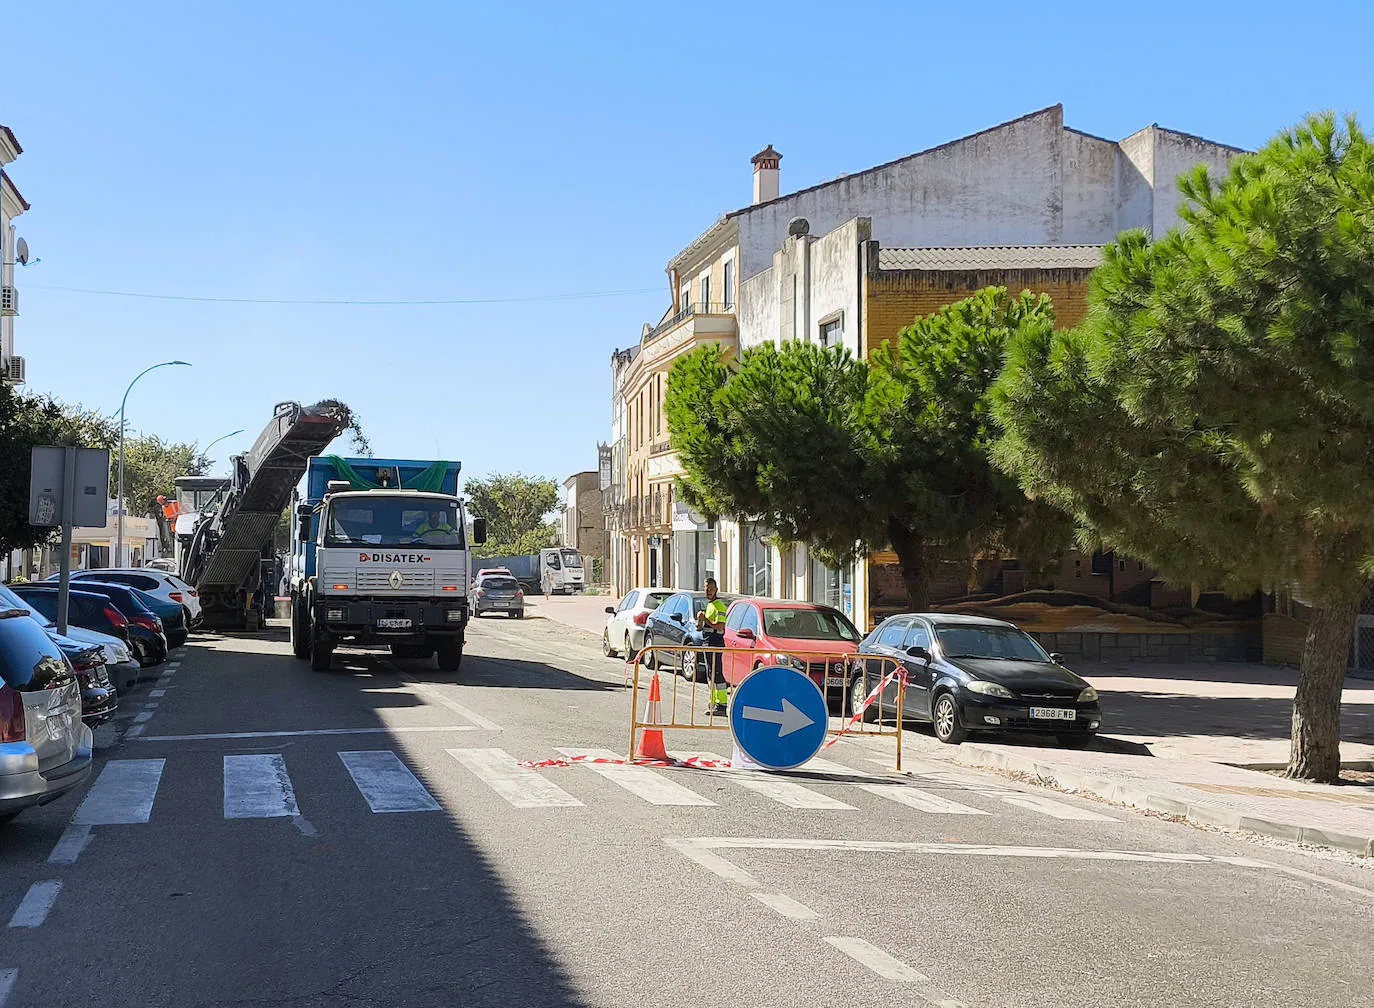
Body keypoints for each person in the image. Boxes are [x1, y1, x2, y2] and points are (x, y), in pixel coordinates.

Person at [697, 577, 729, 717]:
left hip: (715, 643)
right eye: (706, 588)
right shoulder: (710, 605)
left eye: (711, 588)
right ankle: (713, 702)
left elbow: (720, 627)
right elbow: (706, 626)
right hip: (707, 642)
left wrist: (705, 620)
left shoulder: (720, 606)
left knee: (716, 673)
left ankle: (722, 704)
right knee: (710, 673)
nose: (708, 591)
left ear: (716, 590)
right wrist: (700, 623)